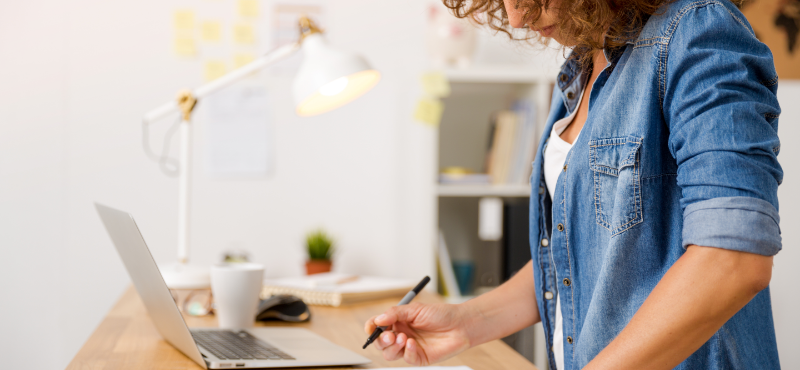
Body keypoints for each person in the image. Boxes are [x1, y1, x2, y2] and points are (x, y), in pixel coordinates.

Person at [364, 0, 783, 368]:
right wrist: (465, 323)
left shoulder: (698, 29)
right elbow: (575, 252)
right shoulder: (580, 68)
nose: (515, 17)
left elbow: (733, 258)